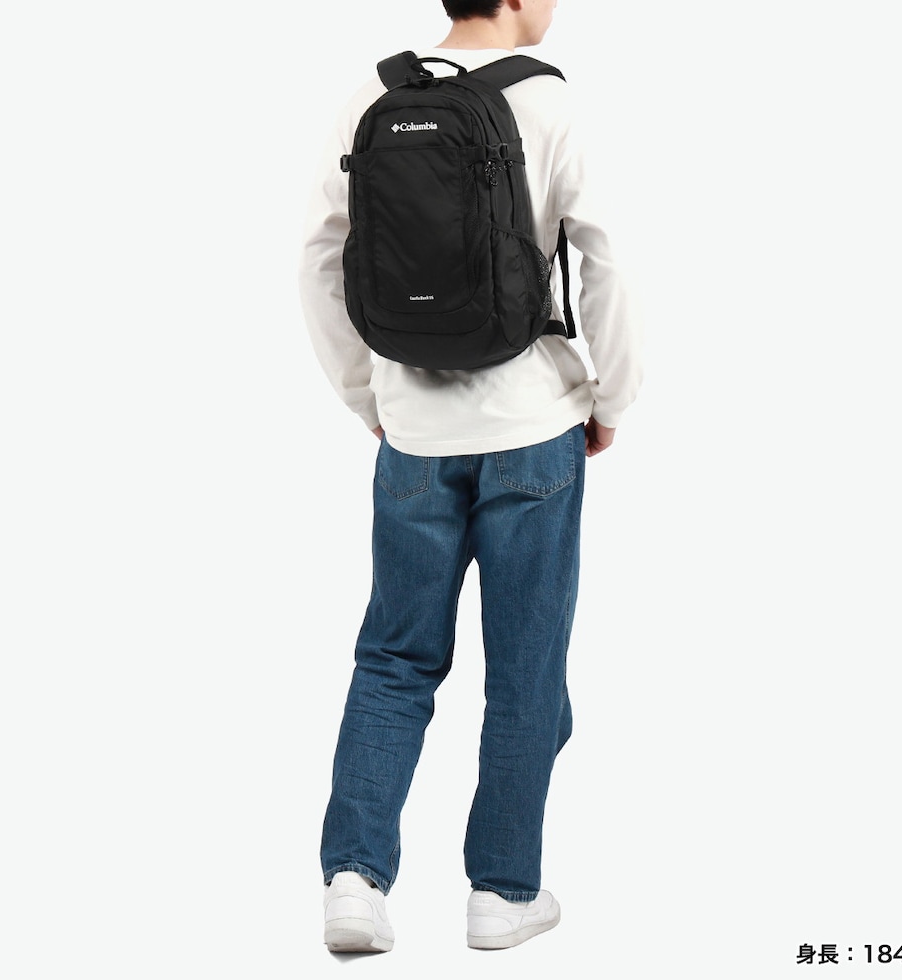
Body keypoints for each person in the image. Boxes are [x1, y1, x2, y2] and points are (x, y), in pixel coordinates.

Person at [298, 0, 643, 953]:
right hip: (534, 427)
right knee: (526, 669)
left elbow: (319, 260)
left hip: (413, 434)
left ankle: (353, 882)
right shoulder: (554, 104)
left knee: (394, 659)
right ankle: (502, 892)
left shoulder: (370, 97)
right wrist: (613, 397)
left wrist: (368, 396)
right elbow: (611, 263)